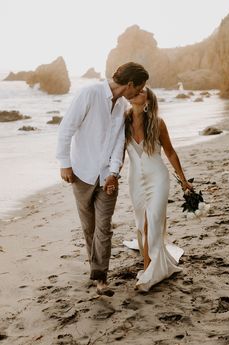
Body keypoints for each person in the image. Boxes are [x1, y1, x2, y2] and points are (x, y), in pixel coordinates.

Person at [56, 62, 149, 296]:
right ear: (129, 85)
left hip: (107, 176)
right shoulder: (89, 94)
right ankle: (96, 268)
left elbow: (119, 143)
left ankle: (101, 278)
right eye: (139, 88)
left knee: (104, 228)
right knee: (89, 228)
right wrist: (64, 164)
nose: (139, 93)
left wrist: (113, 173)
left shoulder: (121, 108)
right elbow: (66, 129)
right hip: (81, 173)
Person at [123, 86, 192, 292]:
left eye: (142, 90)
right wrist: (111, 176)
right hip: (134, 179)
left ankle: (148, 272)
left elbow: (170, 153)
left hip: (158, 179)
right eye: (135, 89)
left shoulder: (158, 123)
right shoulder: (122, 122)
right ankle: (151, 264)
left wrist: (183, 180)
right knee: (141, 223)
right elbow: (117, 153)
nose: (137, 91)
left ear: (148, 100)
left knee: (151, 222)